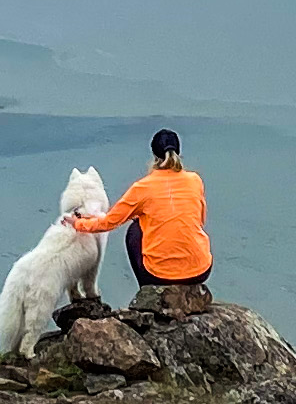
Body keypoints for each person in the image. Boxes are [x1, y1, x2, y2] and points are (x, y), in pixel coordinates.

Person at [71, 127, 211, 304]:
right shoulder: (194, 181)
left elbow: (109, 222)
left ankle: (148, 294)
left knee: (135, 230)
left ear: (154, 155)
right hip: (200, 271)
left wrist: (78, 224)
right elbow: (200, 220)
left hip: (159, 276)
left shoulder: (142, 188)